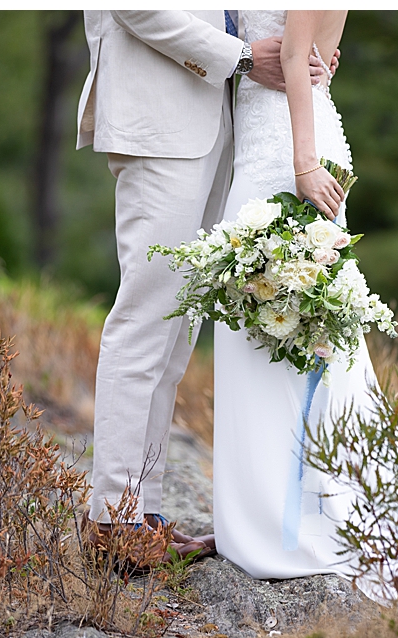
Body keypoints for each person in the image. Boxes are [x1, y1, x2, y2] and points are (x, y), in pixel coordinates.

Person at [75, 10, 335, 566]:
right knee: (145, 321)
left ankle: (141, 512)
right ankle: (110, 520)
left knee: (176, 334)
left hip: (220, 123)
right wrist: (243, 57)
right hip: (160, 119)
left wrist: (299, 50)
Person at [212, 10, 385, 581]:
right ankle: (279, 513)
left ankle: (301, 520)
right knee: (272, 327)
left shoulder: (296, 155)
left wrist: (304, 164)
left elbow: (293, 56)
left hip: (288, 149)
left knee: (289, 326)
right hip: (272, 136)